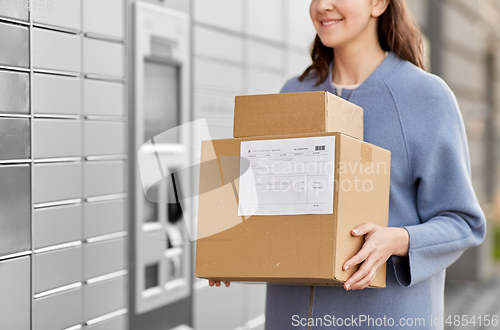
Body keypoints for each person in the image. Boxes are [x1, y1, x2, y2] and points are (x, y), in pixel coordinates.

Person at [210, 0, 486, 329]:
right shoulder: (293, 93)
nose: (322, 6)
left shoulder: (426, 97)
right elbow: (264, 203)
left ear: (378, 3)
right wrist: (227, 246)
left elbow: (463, 222)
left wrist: (397, 240)